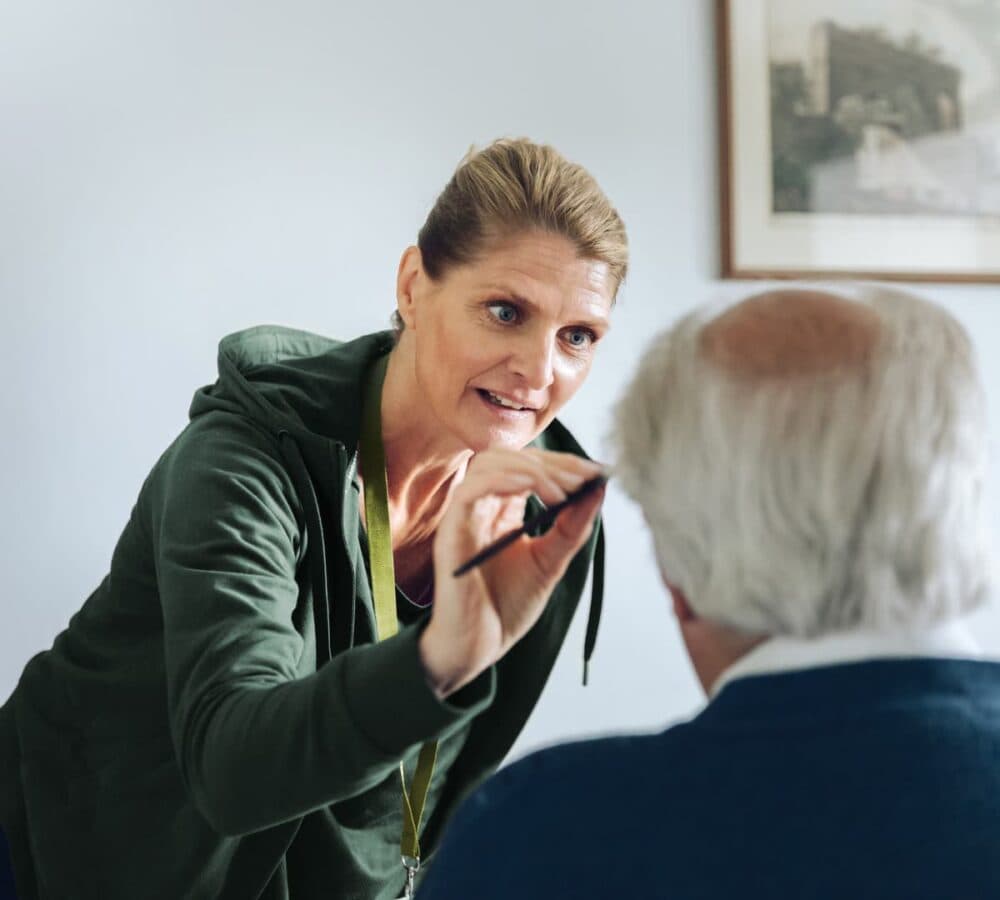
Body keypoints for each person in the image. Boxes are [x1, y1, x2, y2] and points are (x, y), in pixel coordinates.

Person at [0, 137, 628, 900]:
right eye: (504, 311)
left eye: (577, 336)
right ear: (412, 287)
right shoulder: (241, 460)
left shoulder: (544, 513)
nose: (539, 370)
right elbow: (233, 770)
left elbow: (438, 785)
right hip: (69, 856)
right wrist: (439, 656)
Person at [417, 286, 1000, 899]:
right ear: (967, 501)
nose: (535, 370)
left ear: (677, 577)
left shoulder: (541, 834)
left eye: (577, 336)